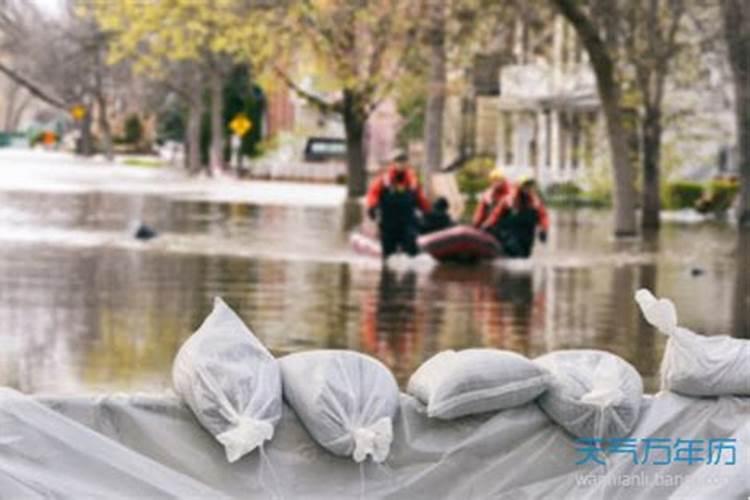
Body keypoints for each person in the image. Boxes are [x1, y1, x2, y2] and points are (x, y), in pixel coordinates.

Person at [365, 151, 431, 258]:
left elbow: (420, 198)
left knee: (411, 248)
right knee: (388, 254)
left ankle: (410, 271)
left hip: (408, 221)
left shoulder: (413, 181)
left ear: (407, 164)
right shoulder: (384, 180)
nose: (402, 164)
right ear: (393, 163)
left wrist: (427, 212)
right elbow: (373, 194)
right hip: (389, 223)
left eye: (404, 161)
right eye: (399, 161)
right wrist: (372, 207)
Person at [482, 176, 549, 258]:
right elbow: (496, 215)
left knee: (524, 257)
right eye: (526, 185)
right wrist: (487, 225)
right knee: (515, 252)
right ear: (520, 187)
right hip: (509, 234)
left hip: (527, 237)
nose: (528, 188)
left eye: (530, 185)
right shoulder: (508, 200)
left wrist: (544, 230)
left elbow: (543, 217)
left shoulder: (536, 202)